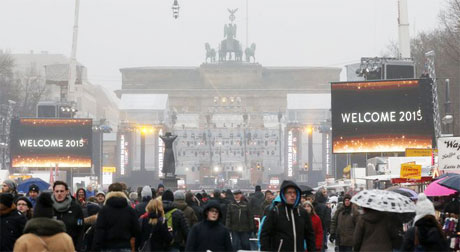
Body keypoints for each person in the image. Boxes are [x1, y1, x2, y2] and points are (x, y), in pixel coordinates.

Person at [260, 180, 316, 252]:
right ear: (283, 194)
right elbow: (265, 234)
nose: (292, 195)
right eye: (289, 192)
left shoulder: (302, 212)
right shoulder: (275, 212)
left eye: (294, 192)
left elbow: (310, 235)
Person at [51, 181, 84, 251]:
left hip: (71, 247)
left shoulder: (76, 208)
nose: (59, 193)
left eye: (62, 191)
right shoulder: (48, 208)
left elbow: (80, 228)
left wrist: (78, 248)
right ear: (53, 192)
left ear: (67, 192)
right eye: (57, 191)